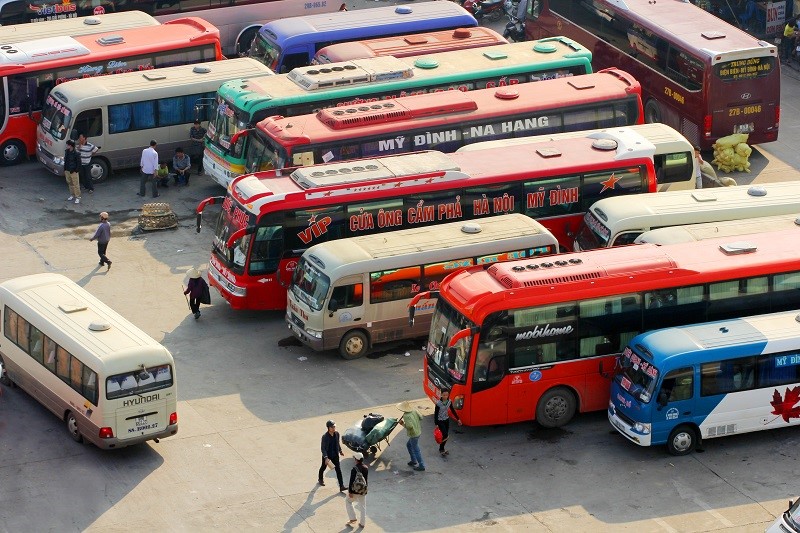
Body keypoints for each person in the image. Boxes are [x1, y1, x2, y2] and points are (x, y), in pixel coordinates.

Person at [397, 400, 425, 471]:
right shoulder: (414, 410)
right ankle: (413, 460)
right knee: (409, 445)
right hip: (418, 431)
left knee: (416, 449)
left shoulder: (406, 415)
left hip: (413, 434)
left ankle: (421, 465)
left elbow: (409, 427)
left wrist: (402, 423)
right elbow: (421, 417)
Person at [318, 419, 346, 491]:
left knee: (338, 470)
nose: (334, 428)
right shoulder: (325, 437)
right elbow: (323, 448)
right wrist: (326, 458)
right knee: (323, 467)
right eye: (332, 427)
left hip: (335, 455)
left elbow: (337, 443)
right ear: (328, 428)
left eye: (334, 427)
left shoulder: (337, 434)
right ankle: (320, 478)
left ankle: (341, 486)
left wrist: (340, 451)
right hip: (327, 455)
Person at [433, 389, 462, 456]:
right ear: (441, 395)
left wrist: (458, 419)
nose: (445, 396)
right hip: (440, 421)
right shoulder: (438, 404)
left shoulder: (449, 401)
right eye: (444, 395)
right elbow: (436, 414)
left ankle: (441, 448)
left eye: (447, 395)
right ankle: (442, 449)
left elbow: (452, 410)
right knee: (445, 435)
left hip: (446, 419)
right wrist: (436, 423)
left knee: (445, 435)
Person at [345, 452, 367, 528]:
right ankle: (362, 523)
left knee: (348, 501)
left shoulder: (354, 469)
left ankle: (352, 518)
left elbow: (351, 481)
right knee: (363, 506)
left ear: (356, 460)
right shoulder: (366, 468)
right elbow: (365, 480)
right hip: (363, 490)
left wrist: (350, 491)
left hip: (354, 491)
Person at [64, 139, 81, 205]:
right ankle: (72, 195)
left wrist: (76, 170)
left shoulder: (76, 153)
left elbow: (79, 163)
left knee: (76, 184)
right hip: (67, 170)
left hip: (73, 171)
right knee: (70, 183)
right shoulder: (67, 151)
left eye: (67, 145)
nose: (66, 146)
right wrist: (65, 169)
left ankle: (78, 197)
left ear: (70, 146)